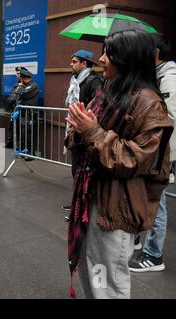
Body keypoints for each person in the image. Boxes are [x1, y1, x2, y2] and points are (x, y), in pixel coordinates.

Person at [65, 29, 173, 299]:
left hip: (117, 207)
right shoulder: (108, 92)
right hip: (92, 198)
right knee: (91, 272)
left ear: (128, 59)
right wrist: (79, 128)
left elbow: (137, 158)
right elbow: (80, 138)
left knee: (107, 282)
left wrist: (93, 132)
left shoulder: (149, 103)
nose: (101, 59)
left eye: (109, 54)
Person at [129, 33, 176, 272]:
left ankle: (154, 254)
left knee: (157, 202)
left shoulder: (169, 79)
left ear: (155, 53)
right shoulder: (157, 77)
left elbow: (170, 122)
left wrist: (160, 157)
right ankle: (138, 238)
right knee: (146, 196)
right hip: (154, 152)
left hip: (161, 153)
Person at [62, 50, 103, 214]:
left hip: (86, 135)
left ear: (84, 63)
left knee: (83, 173)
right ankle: (77, 205)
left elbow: (98, 108)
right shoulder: (76, 81)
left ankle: (83, 209)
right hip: (76, 133)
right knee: (76, 171)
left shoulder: (94, 81)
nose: (71, 64)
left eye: (74, 62)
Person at [6, 68, 40, 156]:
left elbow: (24, 94)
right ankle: (23, 151)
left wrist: (20, 87)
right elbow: (15, 95)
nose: (18, 79)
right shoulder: (23, 85)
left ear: (23, 77)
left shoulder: (33, 86)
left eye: (20, 77)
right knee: (22, 134)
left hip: (29, 115)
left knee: (27, 134)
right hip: (21, 114)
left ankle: (30, 153)